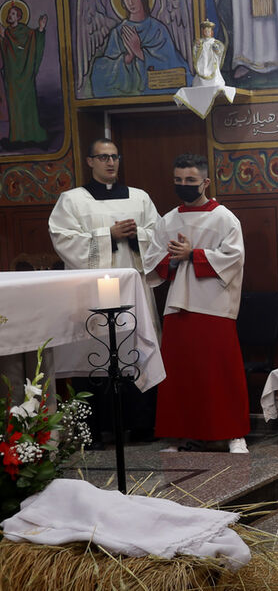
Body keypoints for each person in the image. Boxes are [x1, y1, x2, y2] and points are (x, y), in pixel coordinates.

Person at [48, 138, 161, 445]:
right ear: (90, 162)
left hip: (133, 291)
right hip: (91, 294)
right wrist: (107, 235)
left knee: (135, 351)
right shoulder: (72, 200)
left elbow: (158, 235)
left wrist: (137, 235)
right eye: (103, 157)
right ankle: (94, 429)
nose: (110, 162)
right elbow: (63, 240)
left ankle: (141, 425)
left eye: (114, 157)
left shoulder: (140, 198)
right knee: (94, 352)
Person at [144, 153, 249, 453]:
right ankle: (179, 435)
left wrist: (193, 254)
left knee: (220, 372)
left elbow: (234, 258)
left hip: (214, 304)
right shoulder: (168, 220)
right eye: (178, 180)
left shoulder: (224, 218)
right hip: (178, 306)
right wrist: (174, 259)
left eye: (190, 180)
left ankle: (234, 434)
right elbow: (153, 262)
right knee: (181, 374)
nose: (184, 185)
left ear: (205, 182)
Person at [90, 0, 191, 97]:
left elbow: (175, 67)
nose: (130, 2)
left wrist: (139, 52)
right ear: (122, 2)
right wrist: (127, 59)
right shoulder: (117, 33)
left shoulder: (158, 29)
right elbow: (101, 74)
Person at [0, 1, 49, 149]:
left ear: (19, 17)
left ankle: (33, 136)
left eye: (13, 13)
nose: (10, 15)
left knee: (28, 106)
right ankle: (17, 138)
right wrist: (2, 38)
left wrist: (41, 28)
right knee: (14, 107)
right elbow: (5, 50)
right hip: (12, 76)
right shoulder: (6, 33)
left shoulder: (26, 32)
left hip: (26, 75)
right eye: (9, 13)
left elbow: (36, 41)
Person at [193, 21, 225, 87]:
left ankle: (215, 81)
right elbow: (195, 50)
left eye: (208, 31)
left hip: (212, 59)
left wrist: (216, 49)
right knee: (203, 66)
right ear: (203, 32)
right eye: (205, 31)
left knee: (213, 68)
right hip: (203, 59)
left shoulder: (214, 42)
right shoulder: (201, 42)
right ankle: (201, 81)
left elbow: (219, 51)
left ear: (211, 32)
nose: (207, 33)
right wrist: (198, 46)